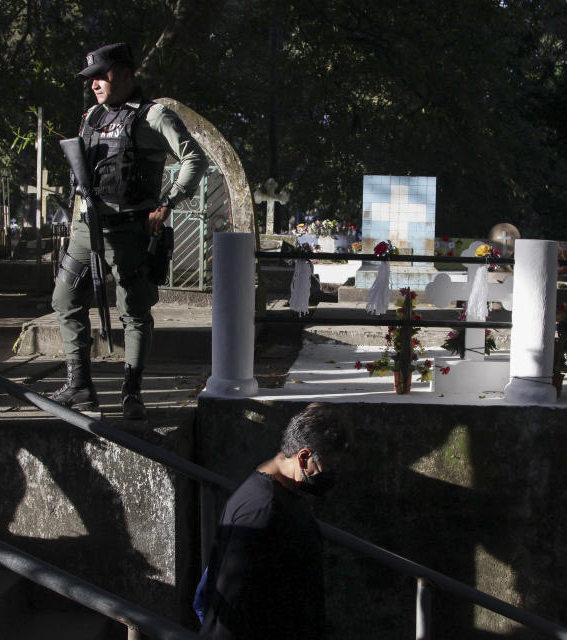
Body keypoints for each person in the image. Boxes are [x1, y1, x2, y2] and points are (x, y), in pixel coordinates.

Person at [50, 42, 207, 419]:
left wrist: (167, 202)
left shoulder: (154, 116)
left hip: (130, 229)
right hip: (86, 227)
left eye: (100, 77)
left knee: (134, 311)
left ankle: (132, 392)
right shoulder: (90, 117)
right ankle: (80, 386)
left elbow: (194, 157)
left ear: (124, 73)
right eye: (89, 80)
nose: (93, 85)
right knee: (64, 300)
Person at [198, 402, 350, 639]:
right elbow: (232, 600)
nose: (330, 473)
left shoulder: (273, 494)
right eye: (327, 466)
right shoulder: (262, 510)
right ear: (304, 456)